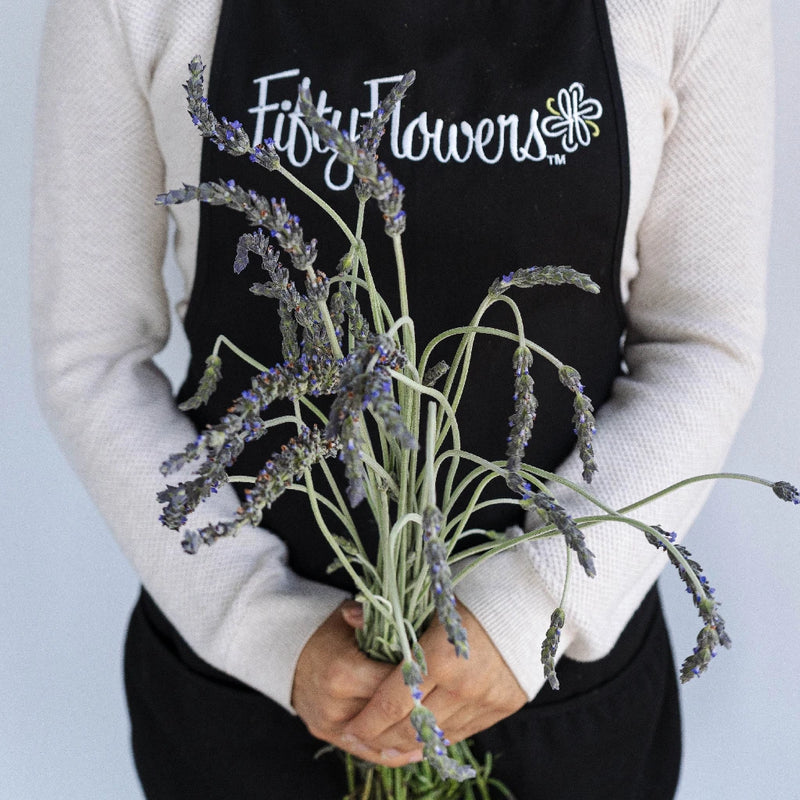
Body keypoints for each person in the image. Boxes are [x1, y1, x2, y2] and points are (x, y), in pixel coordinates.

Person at [31, 0, 774, 797]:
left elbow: (702, 344)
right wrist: (265, 627)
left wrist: (529, 614)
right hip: (251, 710)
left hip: (557, 698)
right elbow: (90, 354)